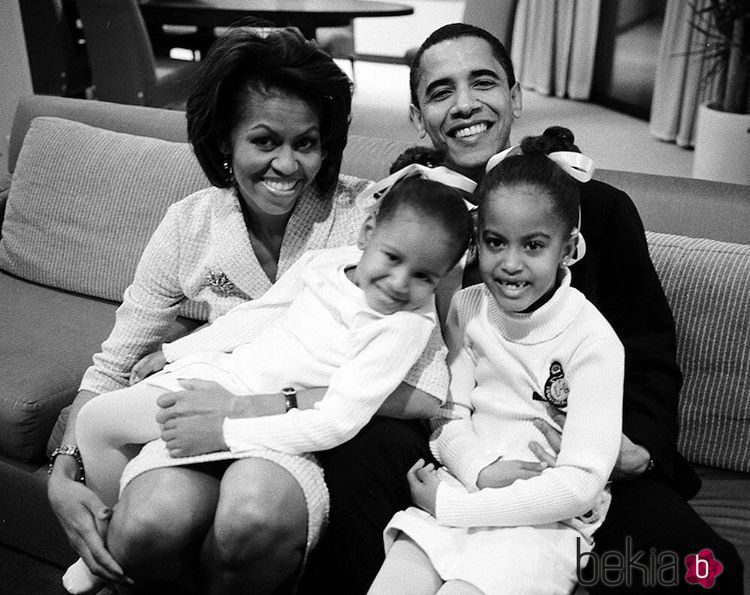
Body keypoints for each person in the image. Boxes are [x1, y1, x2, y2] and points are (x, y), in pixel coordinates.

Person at [301, 23, 743, 594]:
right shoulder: (404, 212)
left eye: (482, 83)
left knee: (701, 572)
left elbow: (649, 353)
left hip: (575, 458)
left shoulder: (596, 209)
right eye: (441, 92)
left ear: (514, 96)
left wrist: (634, 451)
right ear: (417, 116)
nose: (464, 105)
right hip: (442, 438)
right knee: (359, 467)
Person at [47, 26, 447, 594]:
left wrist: (252, 407)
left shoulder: (371, 222)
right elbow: (118, 360)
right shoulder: (191, 224)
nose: (288, 165)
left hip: (294, 435)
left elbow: (426, 386)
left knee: (249, 519)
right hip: (196, 414)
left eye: (306, 143)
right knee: (145, 525)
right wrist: (65, 471)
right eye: (264, 141)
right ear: (224, 142)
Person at [62, 175, 473, 594]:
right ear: (367, 232)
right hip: (226, 375)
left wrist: (225, 430)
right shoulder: (324, 262)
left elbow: (338, 421)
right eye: (392, 257)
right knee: (97, 420)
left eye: (423, 276)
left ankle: (109, 560)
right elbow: (259, 314)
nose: (401, 283)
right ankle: (106, 546)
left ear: (440, 280)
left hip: (275, 425)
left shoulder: (403, 327)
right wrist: (174, 353)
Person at [369, 130, 624, 595]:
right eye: (494, 242)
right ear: (475, 244)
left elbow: (581, 484)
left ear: (567, 248)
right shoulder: (467, 307)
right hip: (463, 486)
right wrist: (479, 471)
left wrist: (455, 508)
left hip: (543, 522)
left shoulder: (594, 340)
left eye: (533, 245)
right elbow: (448, 413)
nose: (509, 263)